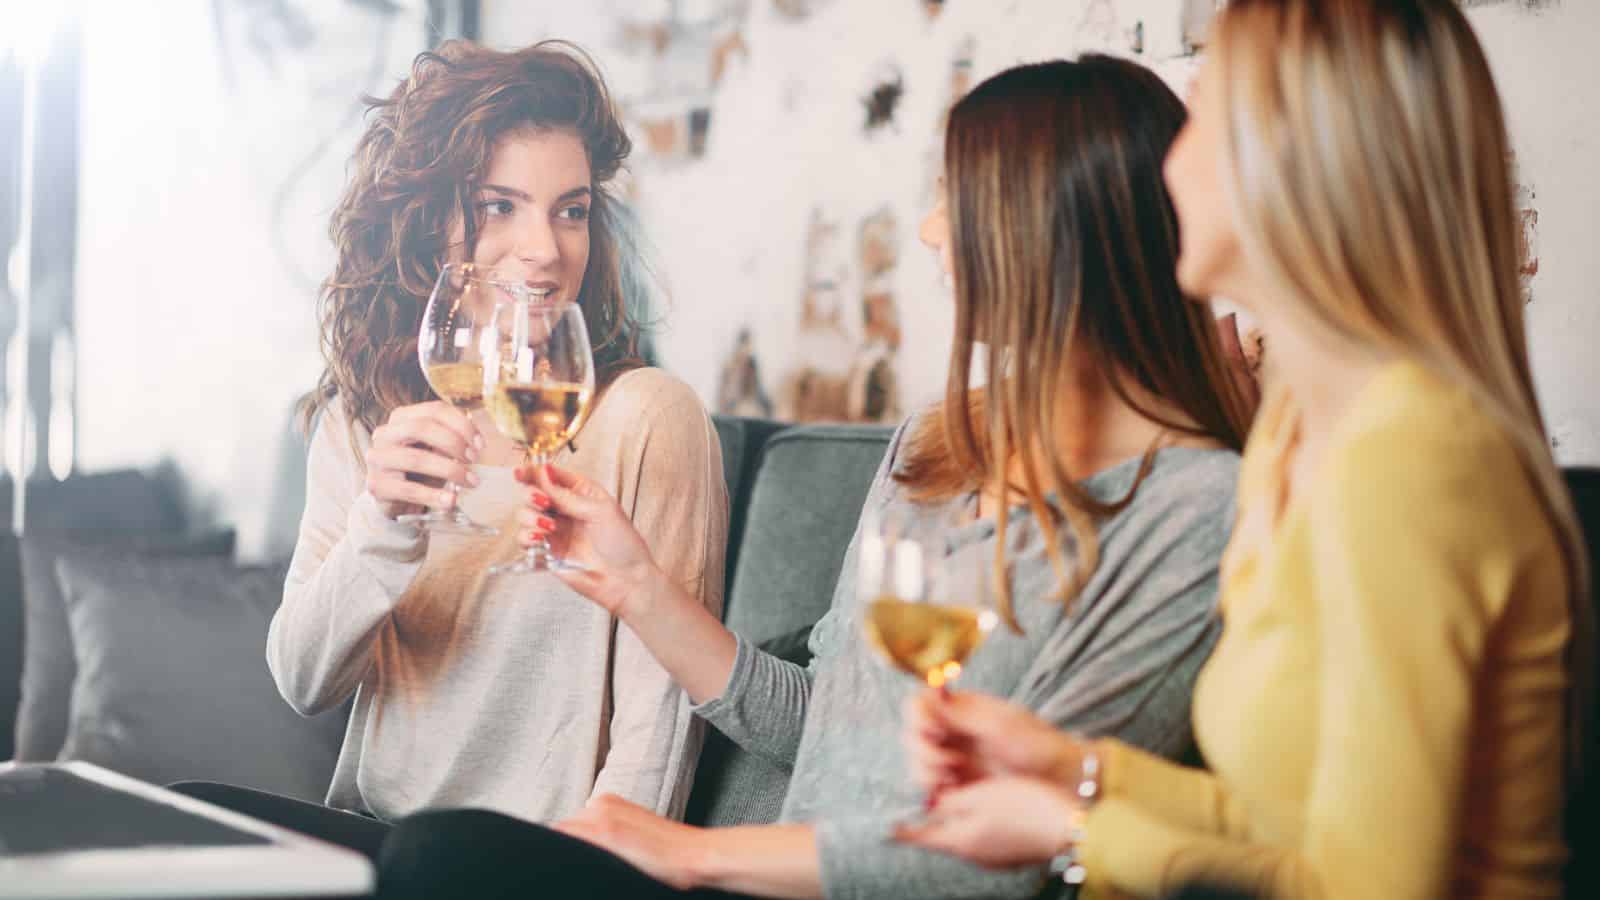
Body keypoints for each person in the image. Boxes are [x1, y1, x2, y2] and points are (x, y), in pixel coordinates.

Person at [377, 55, 1254, 900]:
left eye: (954, 198)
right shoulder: (936, 444)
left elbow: (1014, 848)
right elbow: (822, 728)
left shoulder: (1194, 507)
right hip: (767, 885)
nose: (930, 230)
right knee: (434, 851)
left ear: (1053, 229)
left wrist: (692, 854)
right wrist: (639, 587)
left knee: (437, 859)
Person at [894, 3, 1593, 899]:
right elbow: (1284, 823)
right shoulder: (1295, 430)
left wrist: (1075, 834)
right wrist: (1073, 767)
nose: (1169, 166)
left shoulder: (1413, 458)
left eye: (1203, 118)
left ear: (1303, 162)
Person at [173, 40, 728, 859]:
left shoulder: (647, 418)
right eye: (500, 206)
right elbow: (303, 682)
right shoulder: (365, 418)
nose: (545, 249)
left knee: (432, 853)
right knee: (186, 820)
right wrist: (382, 524)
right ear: (430, 222)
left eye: (571, 210)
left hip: (533, 858)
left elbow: (657, 729)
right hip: (376, 834)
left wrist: (590, 876)